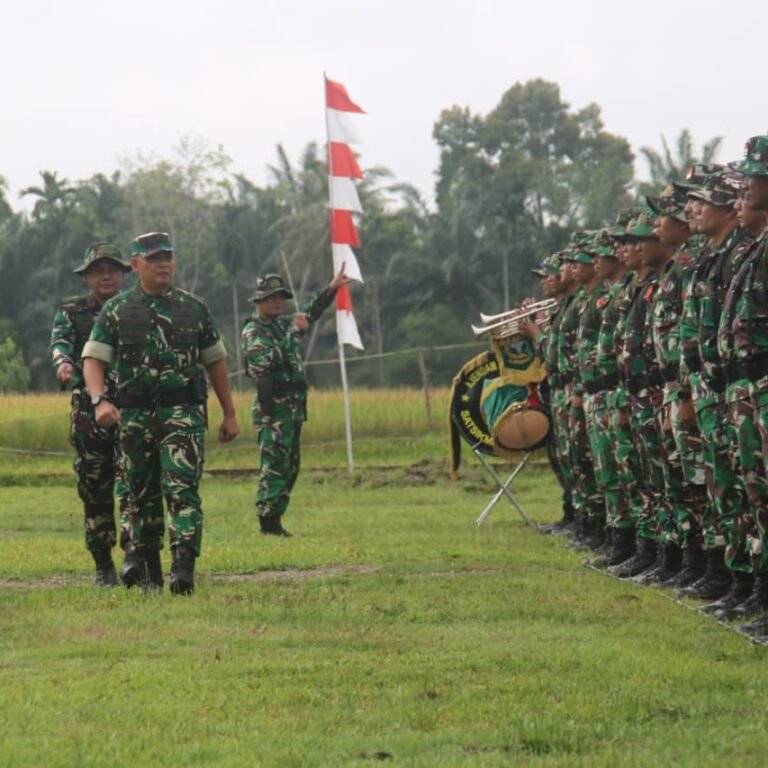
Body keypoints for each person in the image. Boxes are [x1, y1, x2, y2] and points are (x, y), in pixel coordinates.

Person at [82, 231, 239, 595]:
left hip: (181, 411)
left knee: (182, 486)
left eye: (168, 256)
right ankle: (147, 568)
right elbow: (93, 359)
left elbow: (215, 363)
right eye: (154, 258)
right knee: (140, 492)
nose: (164, 263)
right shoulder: (116, 310)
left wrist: (229, 414)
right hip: (134, 415)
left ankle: (184, 565)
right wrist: (99, 400)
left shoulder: (194, 307)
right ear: (136, 265)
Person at [241, 266, 351, 536]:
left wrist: (331, 290)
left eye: (281, 296)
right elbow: (265, 361)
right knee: (275, 465)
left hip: (292, 408)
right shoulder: (254, 331)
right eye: (271, 297)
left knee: (290, 466)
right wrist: (293, 334)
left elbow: (307, 316)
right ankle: (268, 522)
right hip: (273, 410)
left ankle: (276, 516)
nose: (278, 301)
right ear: (258, 301)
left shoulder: (280, 325)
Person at [50, 243, 131, 586]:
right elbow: (61, 345)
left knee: (136, 484)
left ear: (124, 273)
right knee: (95, 490)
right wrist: (64, 364)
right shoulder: (71, 313)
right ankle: (103, 565)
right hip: (89, 416)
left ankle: (134, 557)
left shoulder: (134, 310)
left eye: (112, 268)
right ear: (86, 278)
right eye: (99, 270)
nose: (106, 275)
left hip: (131, 411)